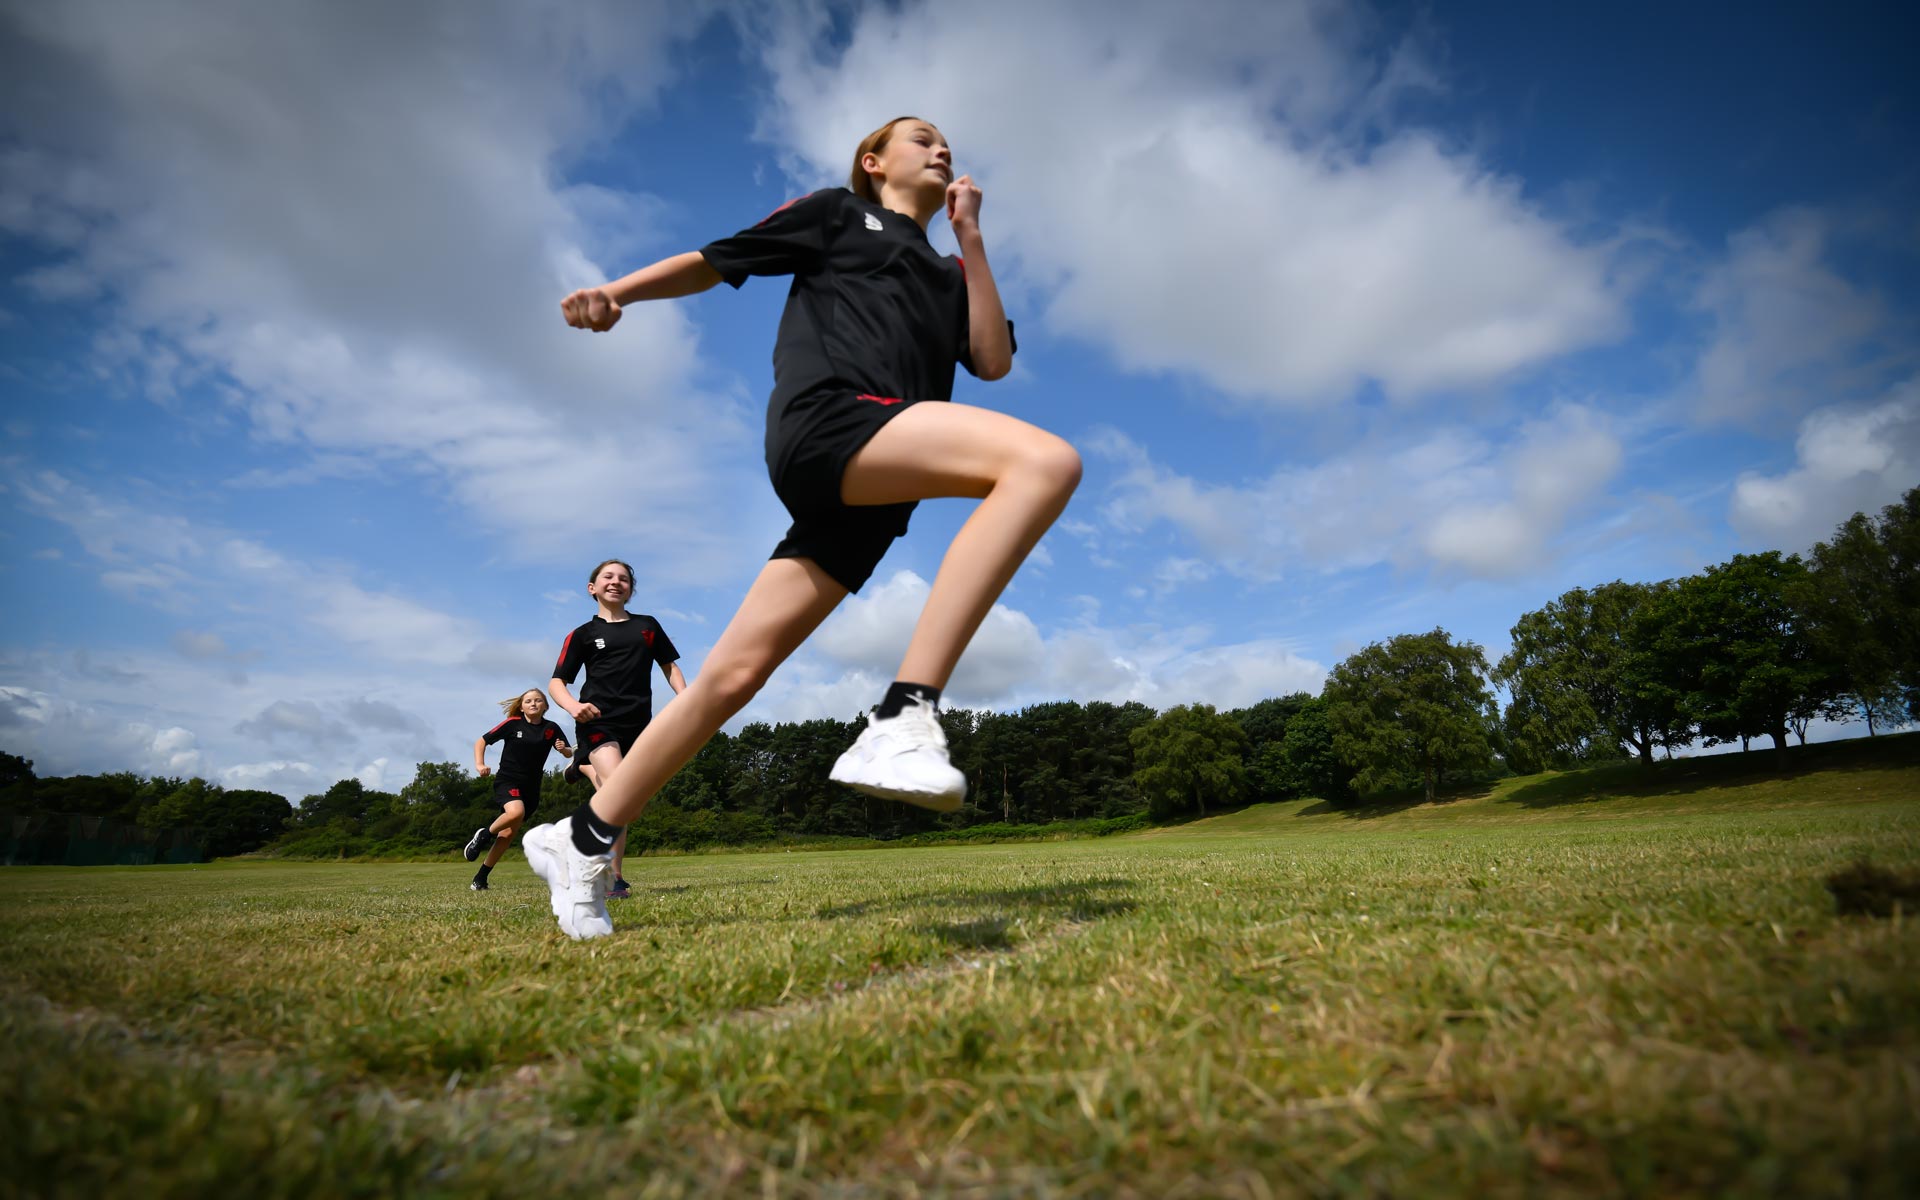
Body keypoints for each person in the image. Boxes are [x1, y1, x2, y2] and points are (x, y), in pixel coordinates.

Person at [522, 116, 1079, 939]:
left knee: (733, 676)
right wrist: (620, 293)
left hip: (878, 489)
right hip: (830, 422)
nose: (941, 149)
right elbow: (716, 260)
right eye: (920, 137)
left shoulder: (951, 271)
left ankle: (582, 837)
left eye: (947, 144)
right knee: (1044, 463)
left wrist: (971, 239)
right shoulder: (836, 214)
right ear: (872, 160)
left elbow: (992, 361)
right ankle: (905, 714)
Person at [549, 558, 687, 898]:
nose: (615, 582)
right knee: (621, 790)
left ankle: (582, 769)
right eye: (607, 577)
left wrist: (686, 699)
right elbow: (557, 682)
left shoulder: (647, 626)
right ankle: (611, 876)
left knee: (619, 799)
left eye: (623, 578)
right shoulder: (583, 634)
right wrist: (574, 707)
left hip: (638, 724)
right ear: (592, 588)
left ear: (630, 590)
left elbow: (669, 667)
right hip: (597, 721)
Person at [462, 688, 571, 891]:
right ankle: (484, 835)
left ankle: (480, 878)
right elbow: (482, 741)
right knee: (515, 812)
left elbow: (568, 752)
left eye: (538, 700)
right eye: (528, 701)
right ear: (521, 707)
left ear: (545, 706)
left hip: (532, 787)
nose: (533, 703)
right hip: (508, 780)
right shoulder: (513, 724)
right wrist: (479, 764)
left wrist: (564, 749)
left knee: (508, 834)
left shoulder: (551, 728)